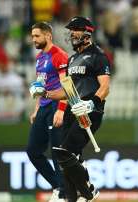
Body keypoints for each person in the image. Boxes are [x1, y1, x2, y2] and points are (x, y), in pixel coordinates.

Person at [41, 16, 111, 202]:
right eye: (71, 29)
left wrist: (92, 103)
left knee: (66, 151)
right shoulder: (72, 59)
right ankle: (72, 198)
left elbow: (105, 87)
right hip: (72, 111)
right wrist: (45, 93)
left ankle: (88, 190)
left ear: (87, 32)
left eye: (76, 29)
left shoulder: (98, 56)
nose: (72, 33)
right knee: (63, 156)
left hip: (89, 111)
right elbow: (67, 90)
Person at [27, 21, 68, 202]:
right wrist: (36, 109)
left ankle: (63, 192)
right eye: (32, 36)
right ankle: (59, 186)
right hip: (43, 108)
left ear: (48, 36)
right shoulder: (39, 58)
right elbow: (40, 85)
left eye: (37, 36)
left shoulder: (59, 56)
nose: (33, 39)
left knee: (56, 150)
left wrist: (61, 110)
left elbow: (68, 87)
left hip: (55, 107)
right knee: (33, 151)